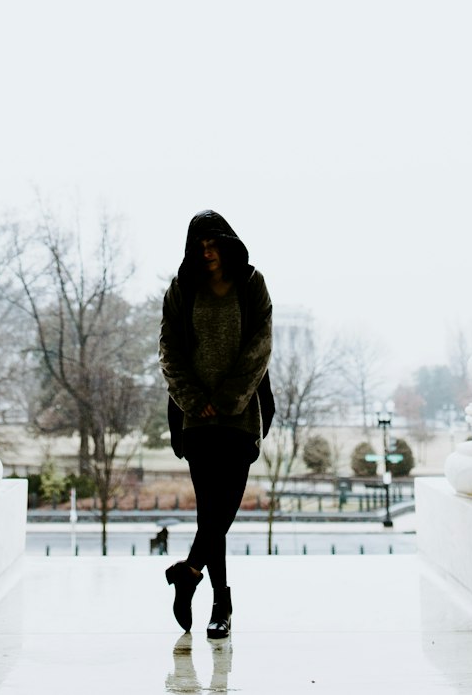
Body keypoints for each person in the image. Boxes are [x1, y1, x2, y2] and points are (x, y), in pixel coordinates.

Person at [159, 211, 273, 639]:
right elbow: (169, 348)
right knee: (212, 513)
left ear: (227, 244)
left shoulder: (251, 284)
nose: (206, 252)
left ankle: (189, 572)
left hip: (240, 415)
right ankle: (220, 604)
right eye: (199, 245)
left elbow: (261, 344)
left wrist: (227, 399)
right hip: (196, 419)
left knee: (223, 509)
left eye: (213, 243)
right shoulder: (181, 289)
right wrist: (193, 400)